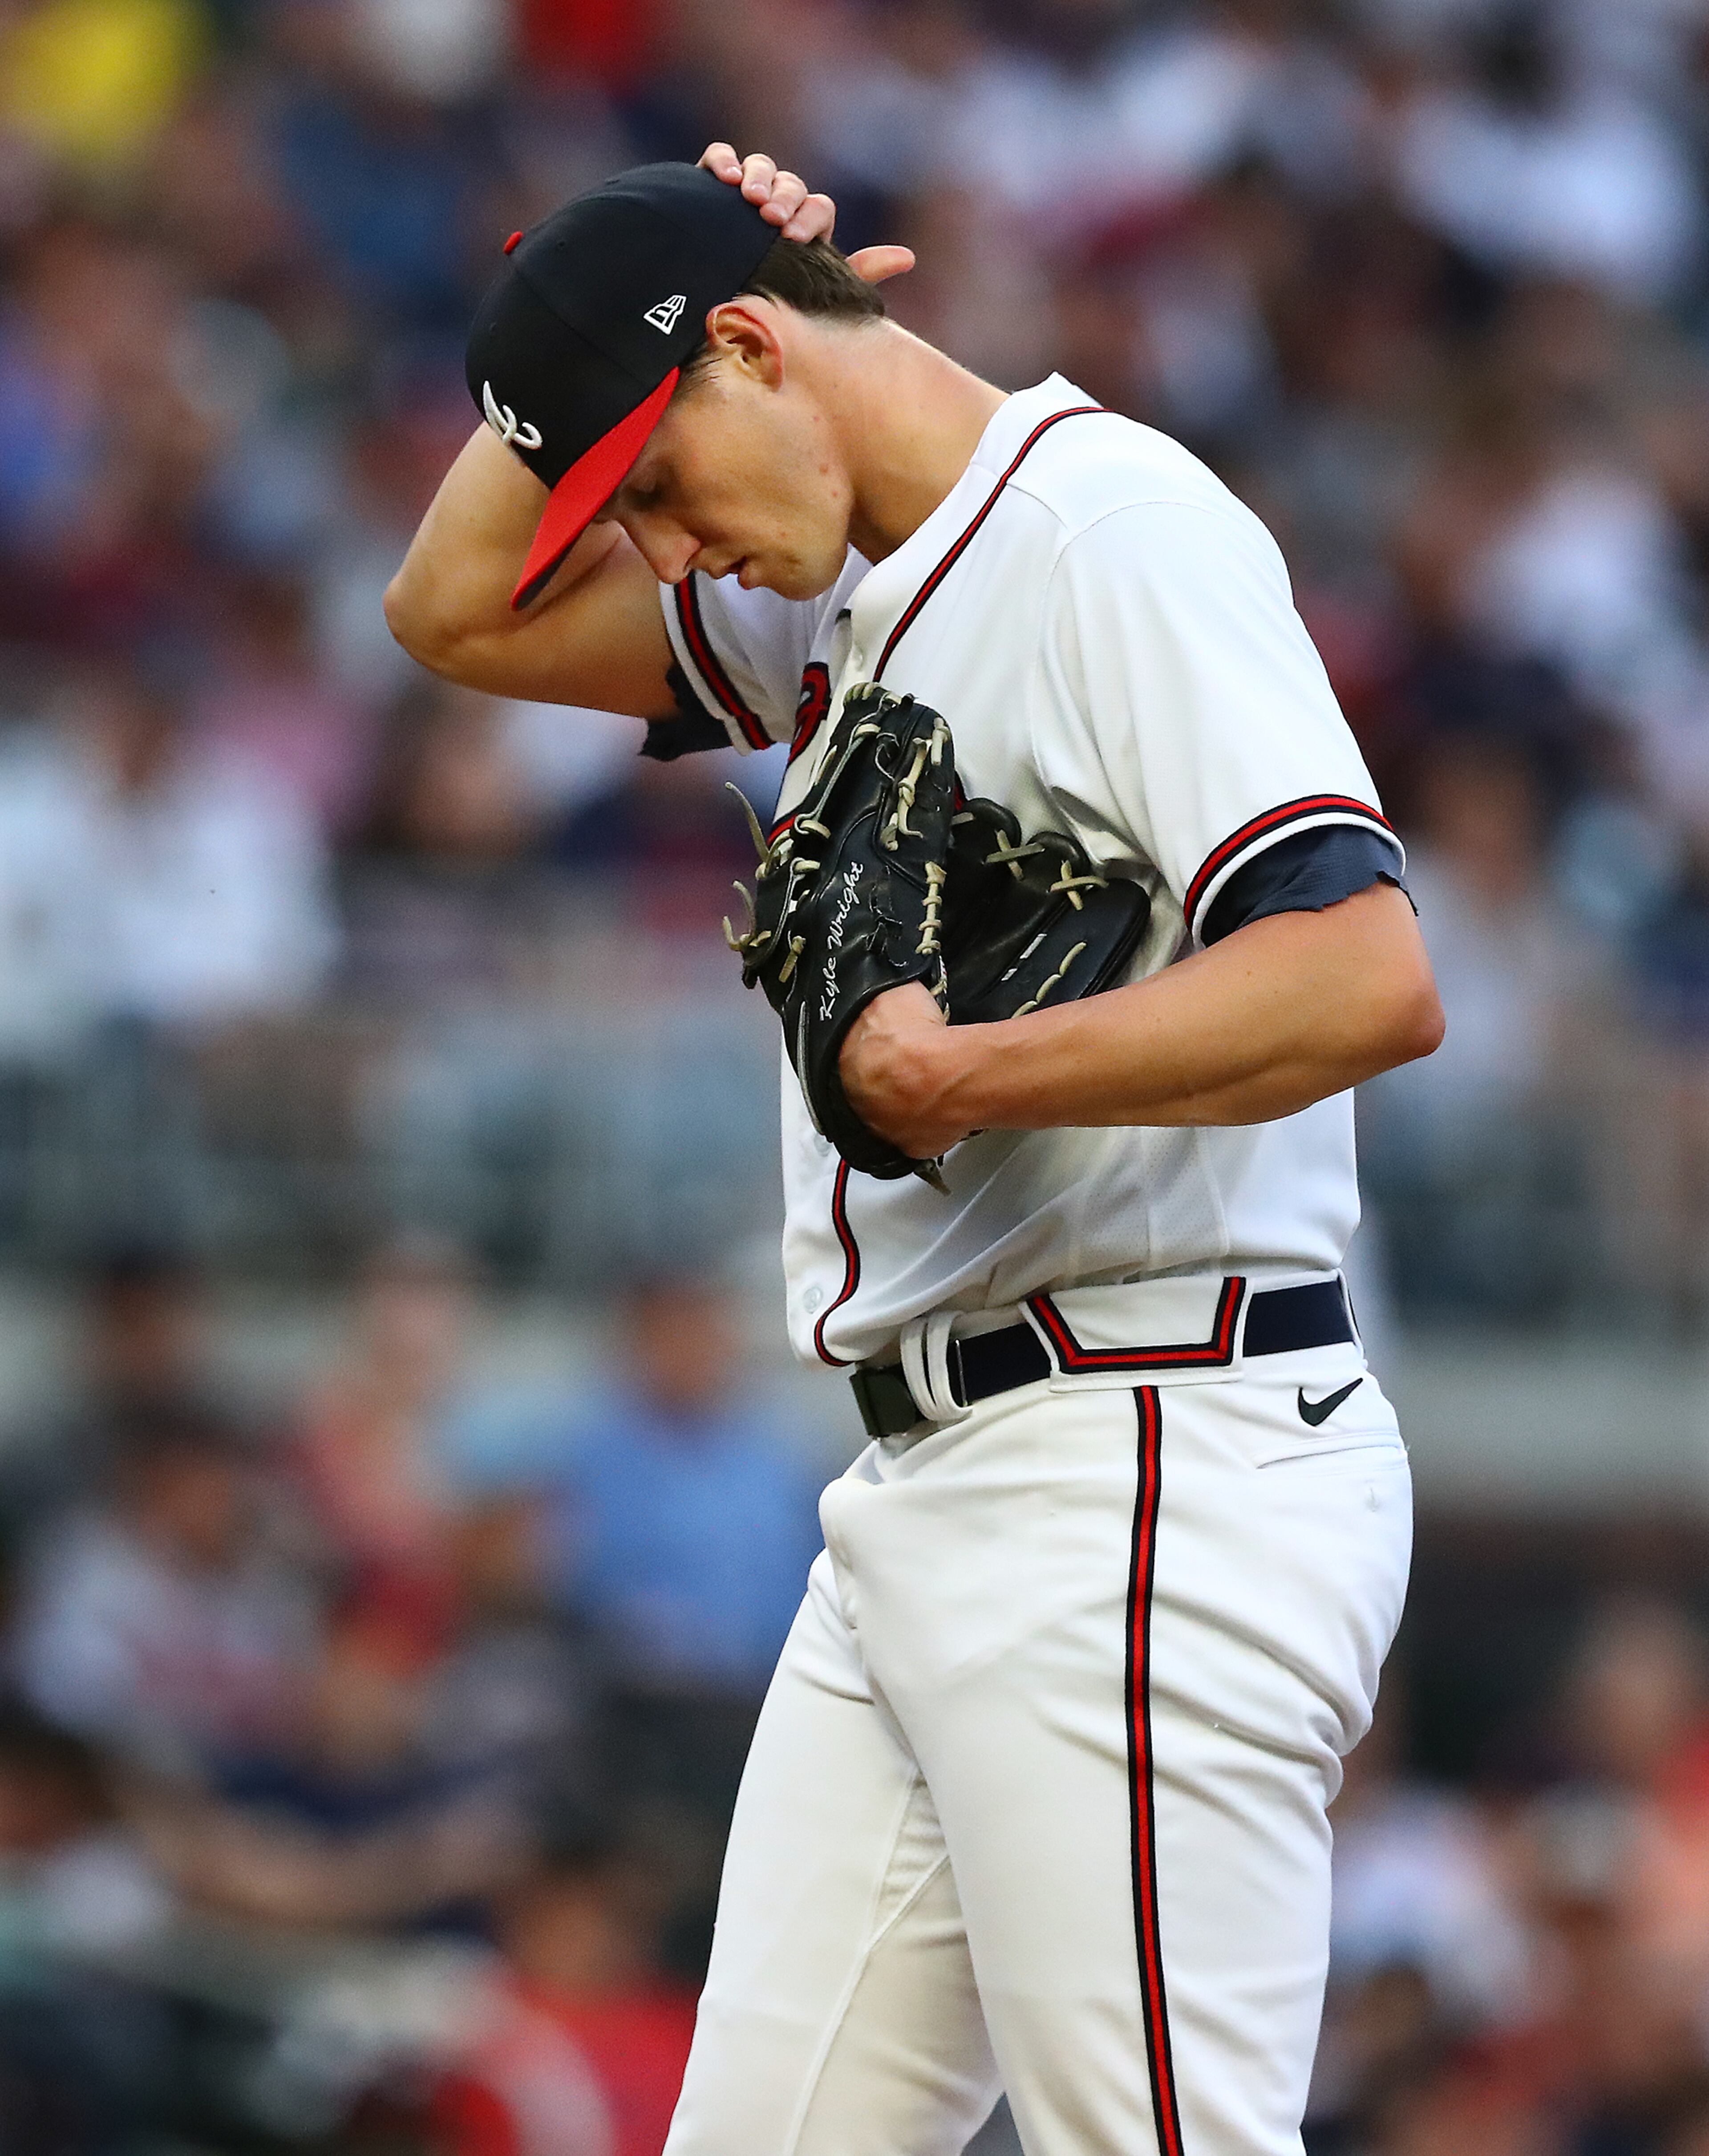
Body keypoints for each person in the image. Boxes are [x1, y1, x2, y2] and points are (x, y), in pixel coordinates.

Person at [387, 145, 1443, 2156]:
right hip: (930, 1484)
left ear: (761, 353)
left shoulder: (1106, 532)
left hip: (1148, 1445)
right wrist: (583, 331)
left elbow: (1368, 974)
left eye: (660, 487)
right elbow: (451, 608)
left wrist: (964, 1073)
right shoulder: (839, 595)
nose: (669, 553)